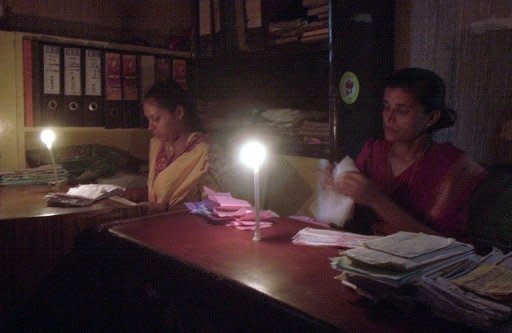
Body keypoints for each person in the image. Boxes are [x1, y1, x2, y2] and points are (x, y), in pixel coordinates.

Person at [326, 68, 487, 240]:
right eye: (386, 107)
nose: (389, 118)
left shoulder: (453, 166)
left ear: (431, 117)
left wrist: (375, 199)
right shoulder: (373, 152)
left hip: (424, 262)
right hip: (366, 254)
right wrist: (335, 189)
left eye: (402, 111)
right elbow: (350, 217)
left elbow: (444, 245)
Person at [142, 80, 217, 212]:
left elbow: (214, 205)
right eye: (148, 120)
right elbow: (157, 192)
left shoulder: (205, 152)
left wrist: (168, 209)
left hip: (188, 227)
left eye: (156, 119)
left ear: (179, 113)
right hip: (155, 223)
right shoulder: (158, 146)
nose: (150, 127)